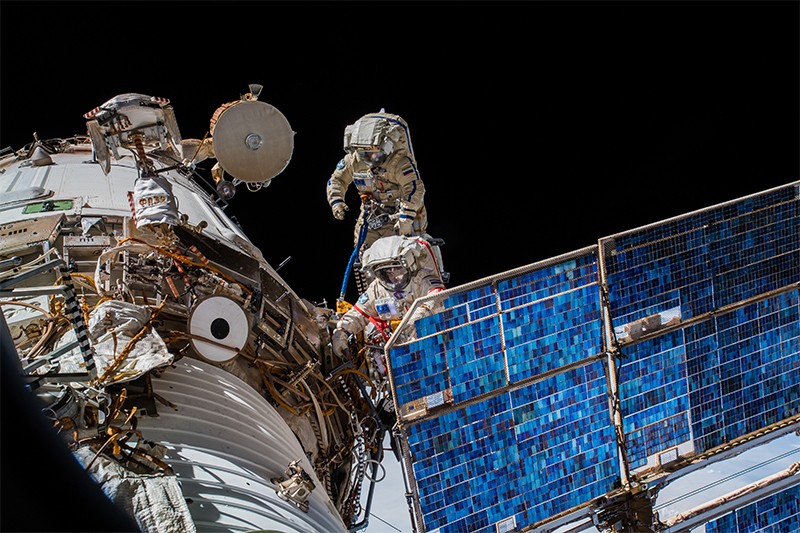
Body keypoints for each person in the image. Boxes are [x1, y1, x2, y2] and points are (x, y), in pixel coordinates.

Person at [330, 235, 445, 369]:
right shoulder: (377, 290)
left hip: (432, 341)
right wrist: (341, 332)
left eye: (398, 269)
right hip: (399, 354)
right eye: (387, 272)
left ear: (409, 266)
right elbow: (358, 313)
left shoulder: (421, 279)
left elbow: (436, 296)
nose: (394, 276)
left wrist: (416, 319)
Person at [326, 111, 428, 253]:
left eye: (375, 153)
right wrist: (336, 201)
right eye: (365, 154)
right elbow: (337, 180)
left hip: (399, 216)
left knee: (397, 257)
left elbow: (414, 188)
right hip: (370, 216)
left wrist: (406, 216)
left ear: (386, 148)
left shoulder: (399, 163)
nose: (370, 158)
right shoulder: (353, 160)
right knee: (364, 256)